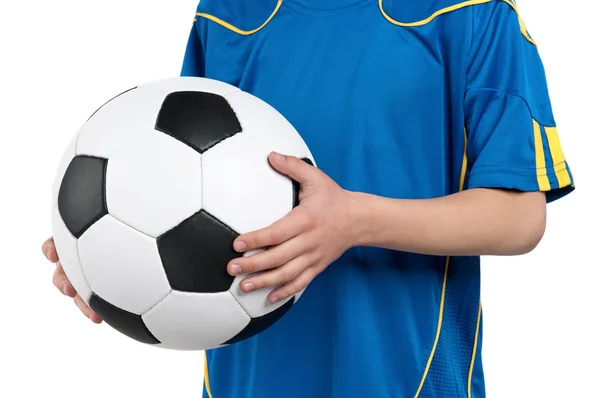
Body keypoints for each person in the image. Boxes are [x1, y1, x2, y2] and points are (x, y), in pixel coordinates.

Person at [42, 0, 575, 397]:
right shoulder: (227, 16)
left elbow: (518, 218)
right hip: (248, 381)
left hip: (402, 378)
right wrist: (101, 253)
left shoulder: (471, 14)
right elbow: (183, 183)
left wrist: (354, 222)